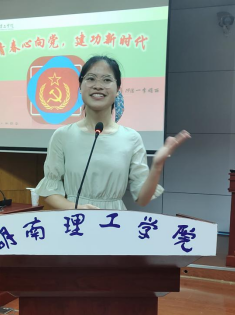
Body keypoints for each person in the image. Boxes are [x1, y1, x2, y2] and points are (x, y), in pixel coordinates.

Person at [34, 55, 191, 210]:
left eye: (107, 80)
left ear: (117, 90)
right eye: (91, 79)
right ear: (80, 87)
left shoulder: (131, 138)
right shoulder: (63, 135)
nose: (98, 86)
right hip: (75, 220)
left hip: (113, 220)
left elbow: (142, 199)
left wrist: (157, 165)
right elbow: (50, 190)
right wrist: (76, 208)